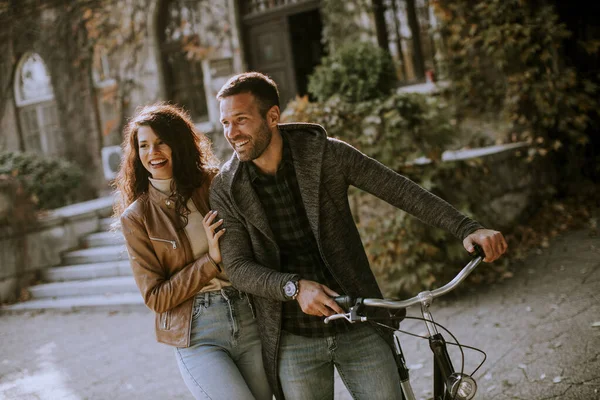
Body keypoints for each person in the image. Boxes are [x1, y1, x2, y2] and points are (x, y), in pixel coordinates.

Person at [209, 72, 508, 400]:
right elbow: (237, 267)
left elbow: (397, 189)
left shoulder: (326, 155)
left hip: (359, 321)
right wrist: (293, 287)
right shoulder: (227, 187)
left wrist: (466, 227)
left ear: (273, 116)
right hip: (292, 337)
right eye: (225, 123)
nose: (231, 133)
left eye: (241, 120)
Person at [114, 102, 272, 400]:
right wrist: (210, 261)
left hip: (247, 315)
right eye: (144, 145)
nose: (153, 152)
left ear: (178, 143)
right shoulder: (137, 217)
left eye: (161, 142)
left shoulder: (214, 183)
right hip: (197, 332)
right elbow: (156, 298)